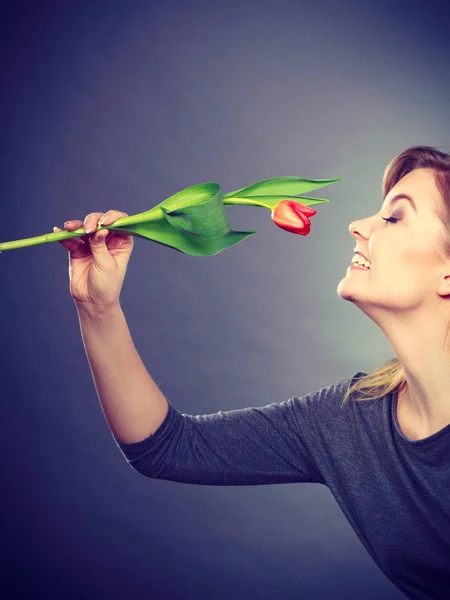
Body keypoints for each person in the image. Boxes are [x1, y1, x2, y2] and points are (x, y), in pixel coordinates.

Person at [55, 145, 450, 600]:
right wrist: (97, 307)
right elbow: (166, 447)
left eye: (394, 217)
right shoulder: (350, 419)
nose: (357, 226)